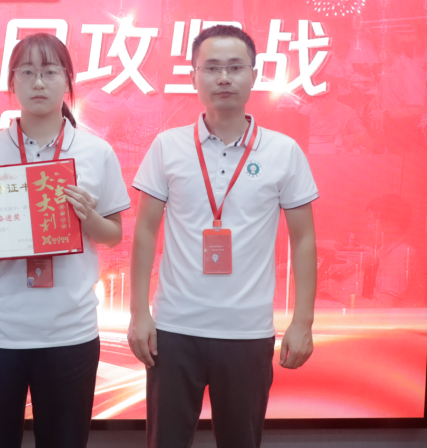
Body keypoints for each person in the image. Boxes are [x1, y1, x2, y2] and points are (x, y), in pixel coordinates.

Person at [128, 25, 318, 448]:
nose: (224, 78)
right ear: (194, 77)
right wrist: (139, 313)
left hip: (247, 331)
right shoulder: (167, 146)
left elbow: (303, 239)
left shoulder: (283, 151)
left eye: (235, 67)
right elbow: (144, 231)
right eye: (212, 68)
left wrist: (303, 321)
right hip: (174, 330)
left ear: (254, 75)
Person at [0, 33, 131, 448]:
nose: (38, 82)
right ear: (12, 82)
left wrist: (88, 217)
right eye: (27, 72)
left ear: (68, 80)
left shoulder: (96, 152)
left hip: (69, 333)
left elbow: (114, 235)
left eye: (50, 72)